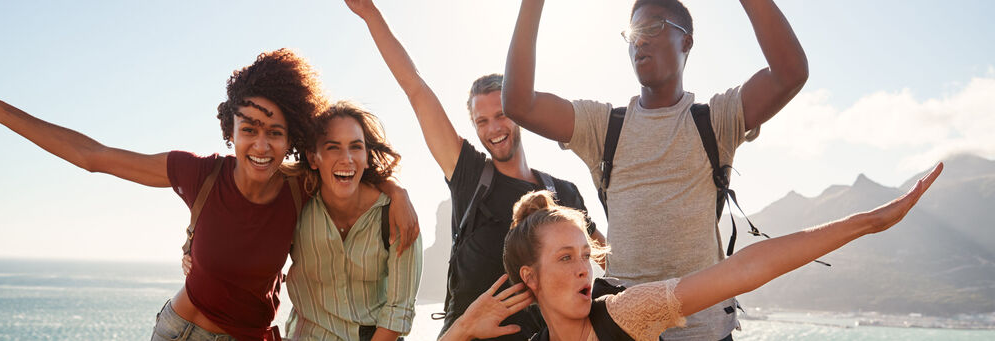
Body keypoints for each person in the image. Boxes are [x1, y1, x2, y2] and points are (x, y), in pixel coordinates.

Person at [0, 48, 419, 341]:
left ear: (292, 140)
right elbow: (95, 156)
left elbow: (345, 166)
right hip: (179, 331)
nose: (261, 146)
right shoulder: (199, 174)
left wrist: (396, 191)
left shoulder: (298, 186)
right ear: (231, 131)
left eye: (276, 134)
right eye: (250, 130)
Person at [502, 0, 809, 339]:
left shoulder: (717, 121)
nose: (640, 41)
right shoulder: (602, 127)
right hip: (621, 332)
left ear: (686, 42)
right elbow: (519, 103)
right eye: (633, 34)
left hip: (705, 333)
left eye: (653, 28)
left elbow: (790, 72)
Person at [341, 0, 606, 339]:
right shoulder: (469, 174)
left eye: (501, 115)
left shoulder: (564, 193)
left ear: (518, 112)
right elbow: (415, 87)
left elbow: (604, 257)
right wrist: (370, 14)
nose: (493, 128)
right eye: (482, 121)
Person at [442, 163, 943, 341]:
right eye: (565, 258)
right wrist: (462, 328)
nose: (583, 269)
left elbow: (744, 269)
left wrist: (869, 222)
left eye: (584, 254)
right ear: (529, 277)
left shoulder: (625, 315)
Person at [281, 102, 423, 341]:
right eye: (333, 147)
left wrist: (397, 192)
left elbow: (399, 311)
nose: (346, 159)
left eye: (355, 147)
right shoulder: (296, 205)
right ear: (313, 158)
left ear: (367, 157)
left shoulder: (396, 214)